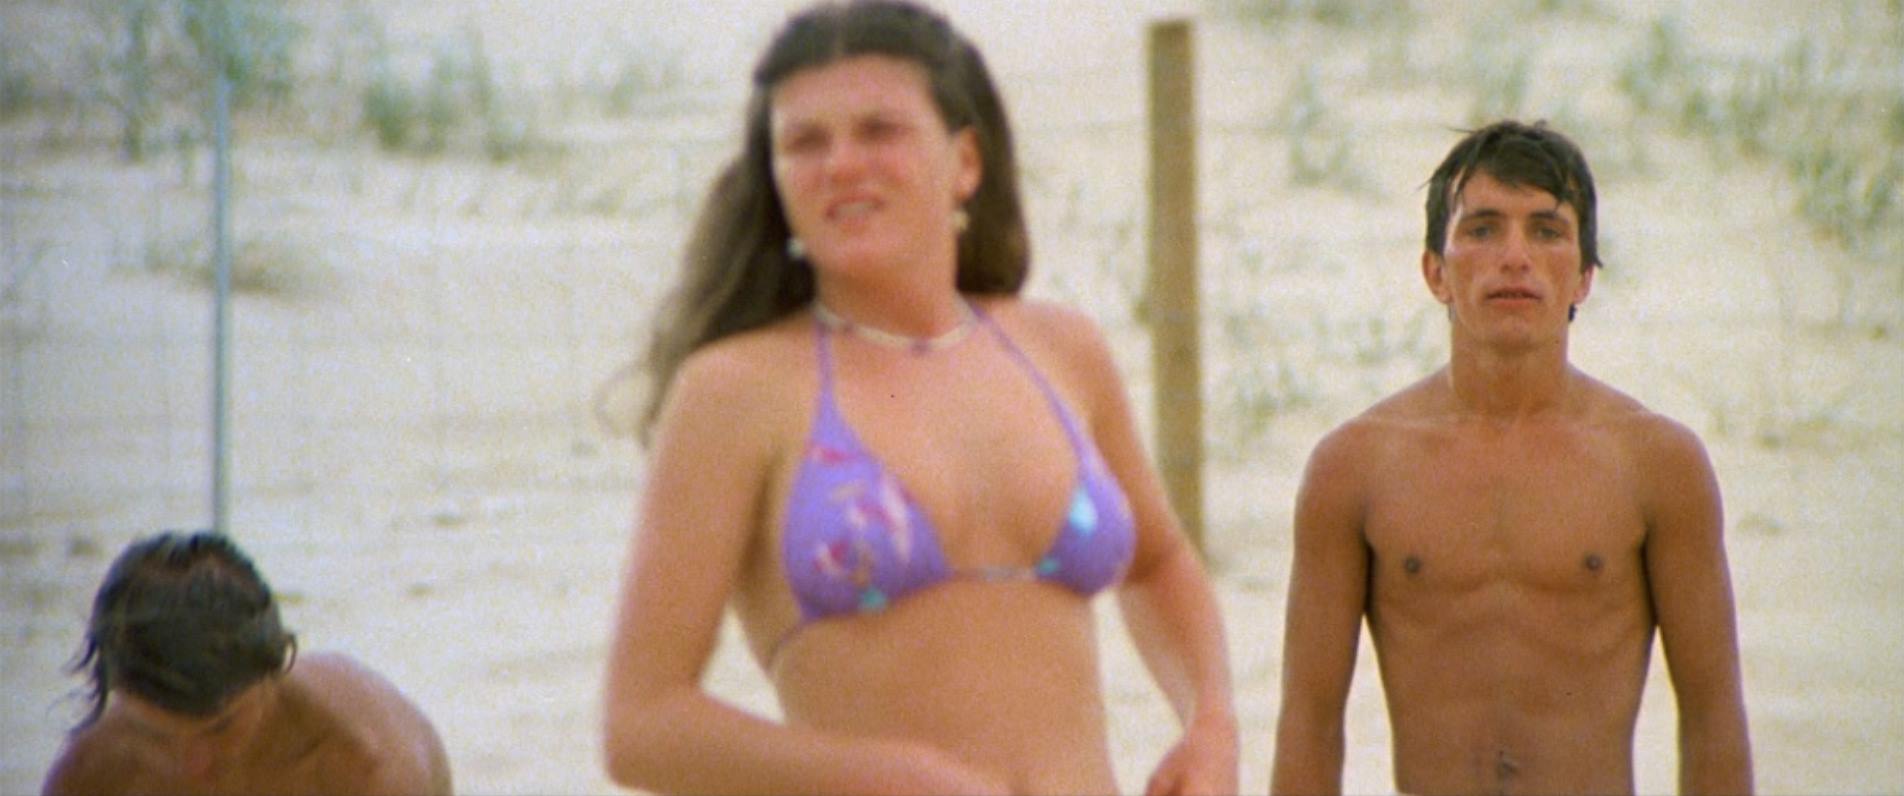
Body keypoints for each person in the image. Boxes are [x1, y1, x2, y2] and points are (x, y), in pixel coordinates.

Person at [598, 2, 1237, 793]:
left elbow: (1158, 562)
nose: (841, 163)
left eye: (879, 130)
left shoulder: (1059, 348)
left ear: (964, 162)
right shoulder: (736, 391)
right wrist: (881, 777)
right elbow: (642, 724)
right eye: (805, 142)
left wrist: (1210, 723)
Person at [1269, 119, 1753, 795]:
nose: (1515, 257)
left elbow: (1713, 716)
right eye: (1483, 229)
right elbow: (1310, 724)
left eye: (1547, 231)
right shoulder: (1355, 467)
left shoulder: (1656, 464)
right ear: (1435, 271)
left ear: (1583, 277)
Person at [41, 530, 451, 796]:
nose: (195, 765)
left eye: (221, 727)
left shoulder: (363, 771)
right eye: (158, 735)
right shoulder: (97, 772)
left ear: (274, 671)